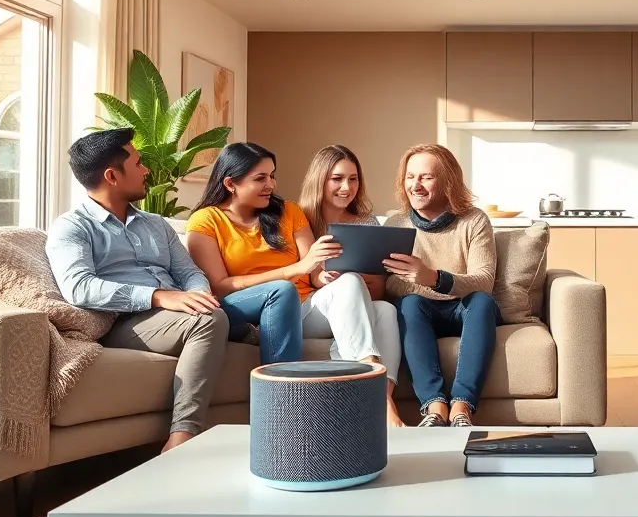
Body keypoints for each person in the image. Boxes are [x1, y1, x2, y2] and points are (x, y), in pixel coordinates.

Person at [185, 143, 404, 426]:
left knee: (382, 307)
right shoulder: (206, 221)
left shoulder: (289, 211)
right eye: (260, 178)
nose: (271, 185)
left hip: (304, 307)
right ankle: (374, 396)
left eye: (272, 176)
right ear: (230, 184)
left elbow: (312, 272)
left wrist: (323, 277)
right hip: (258, 311)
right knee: (285, 289)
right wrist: (295, 270)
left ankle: (378, 394)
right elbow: (220, 287)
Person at [46, 128, 228, 454]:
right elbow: (79, 287)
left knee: (246, 312)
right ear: (112, 176)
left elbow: (189, 272)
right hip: (127, 322)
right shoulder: (72, 227)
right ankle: (182, 437)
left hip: (176, 312)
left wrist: (200, 296)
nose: (146, 170)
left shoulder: (156, 224)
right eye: (139, 163)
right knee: (210, 320)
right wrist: (158, 296)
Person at [383, 143, 501, 428]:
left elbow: (484, 280)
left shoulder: (474, 220)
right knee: (409, 304)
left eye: (426, 177)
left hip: (467, 308)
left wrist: (434, 278)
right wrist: (423, 286)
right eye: (410, 177)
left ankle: (462, 407)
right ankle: (435, 408)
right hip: (422, 311)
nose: (415, 185)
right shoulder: (396, 223)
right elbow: (390, 283)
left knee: (482, 301)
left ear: (448, 181)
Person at [298, 144, 403, 426]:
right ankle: (377, 393)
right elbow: (304, 272)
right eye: (337, 179)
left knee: (386, 310)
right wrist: (324, 278)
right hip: (308, 310)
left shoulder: (367, 222)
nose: (347, 187)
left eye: (353, 179)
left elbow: (379, 286)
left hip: (355, 302)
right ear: (320, 179)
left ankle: (383, 400)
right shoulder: (298, 218)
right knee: (349, 281)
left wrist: (361, 282)